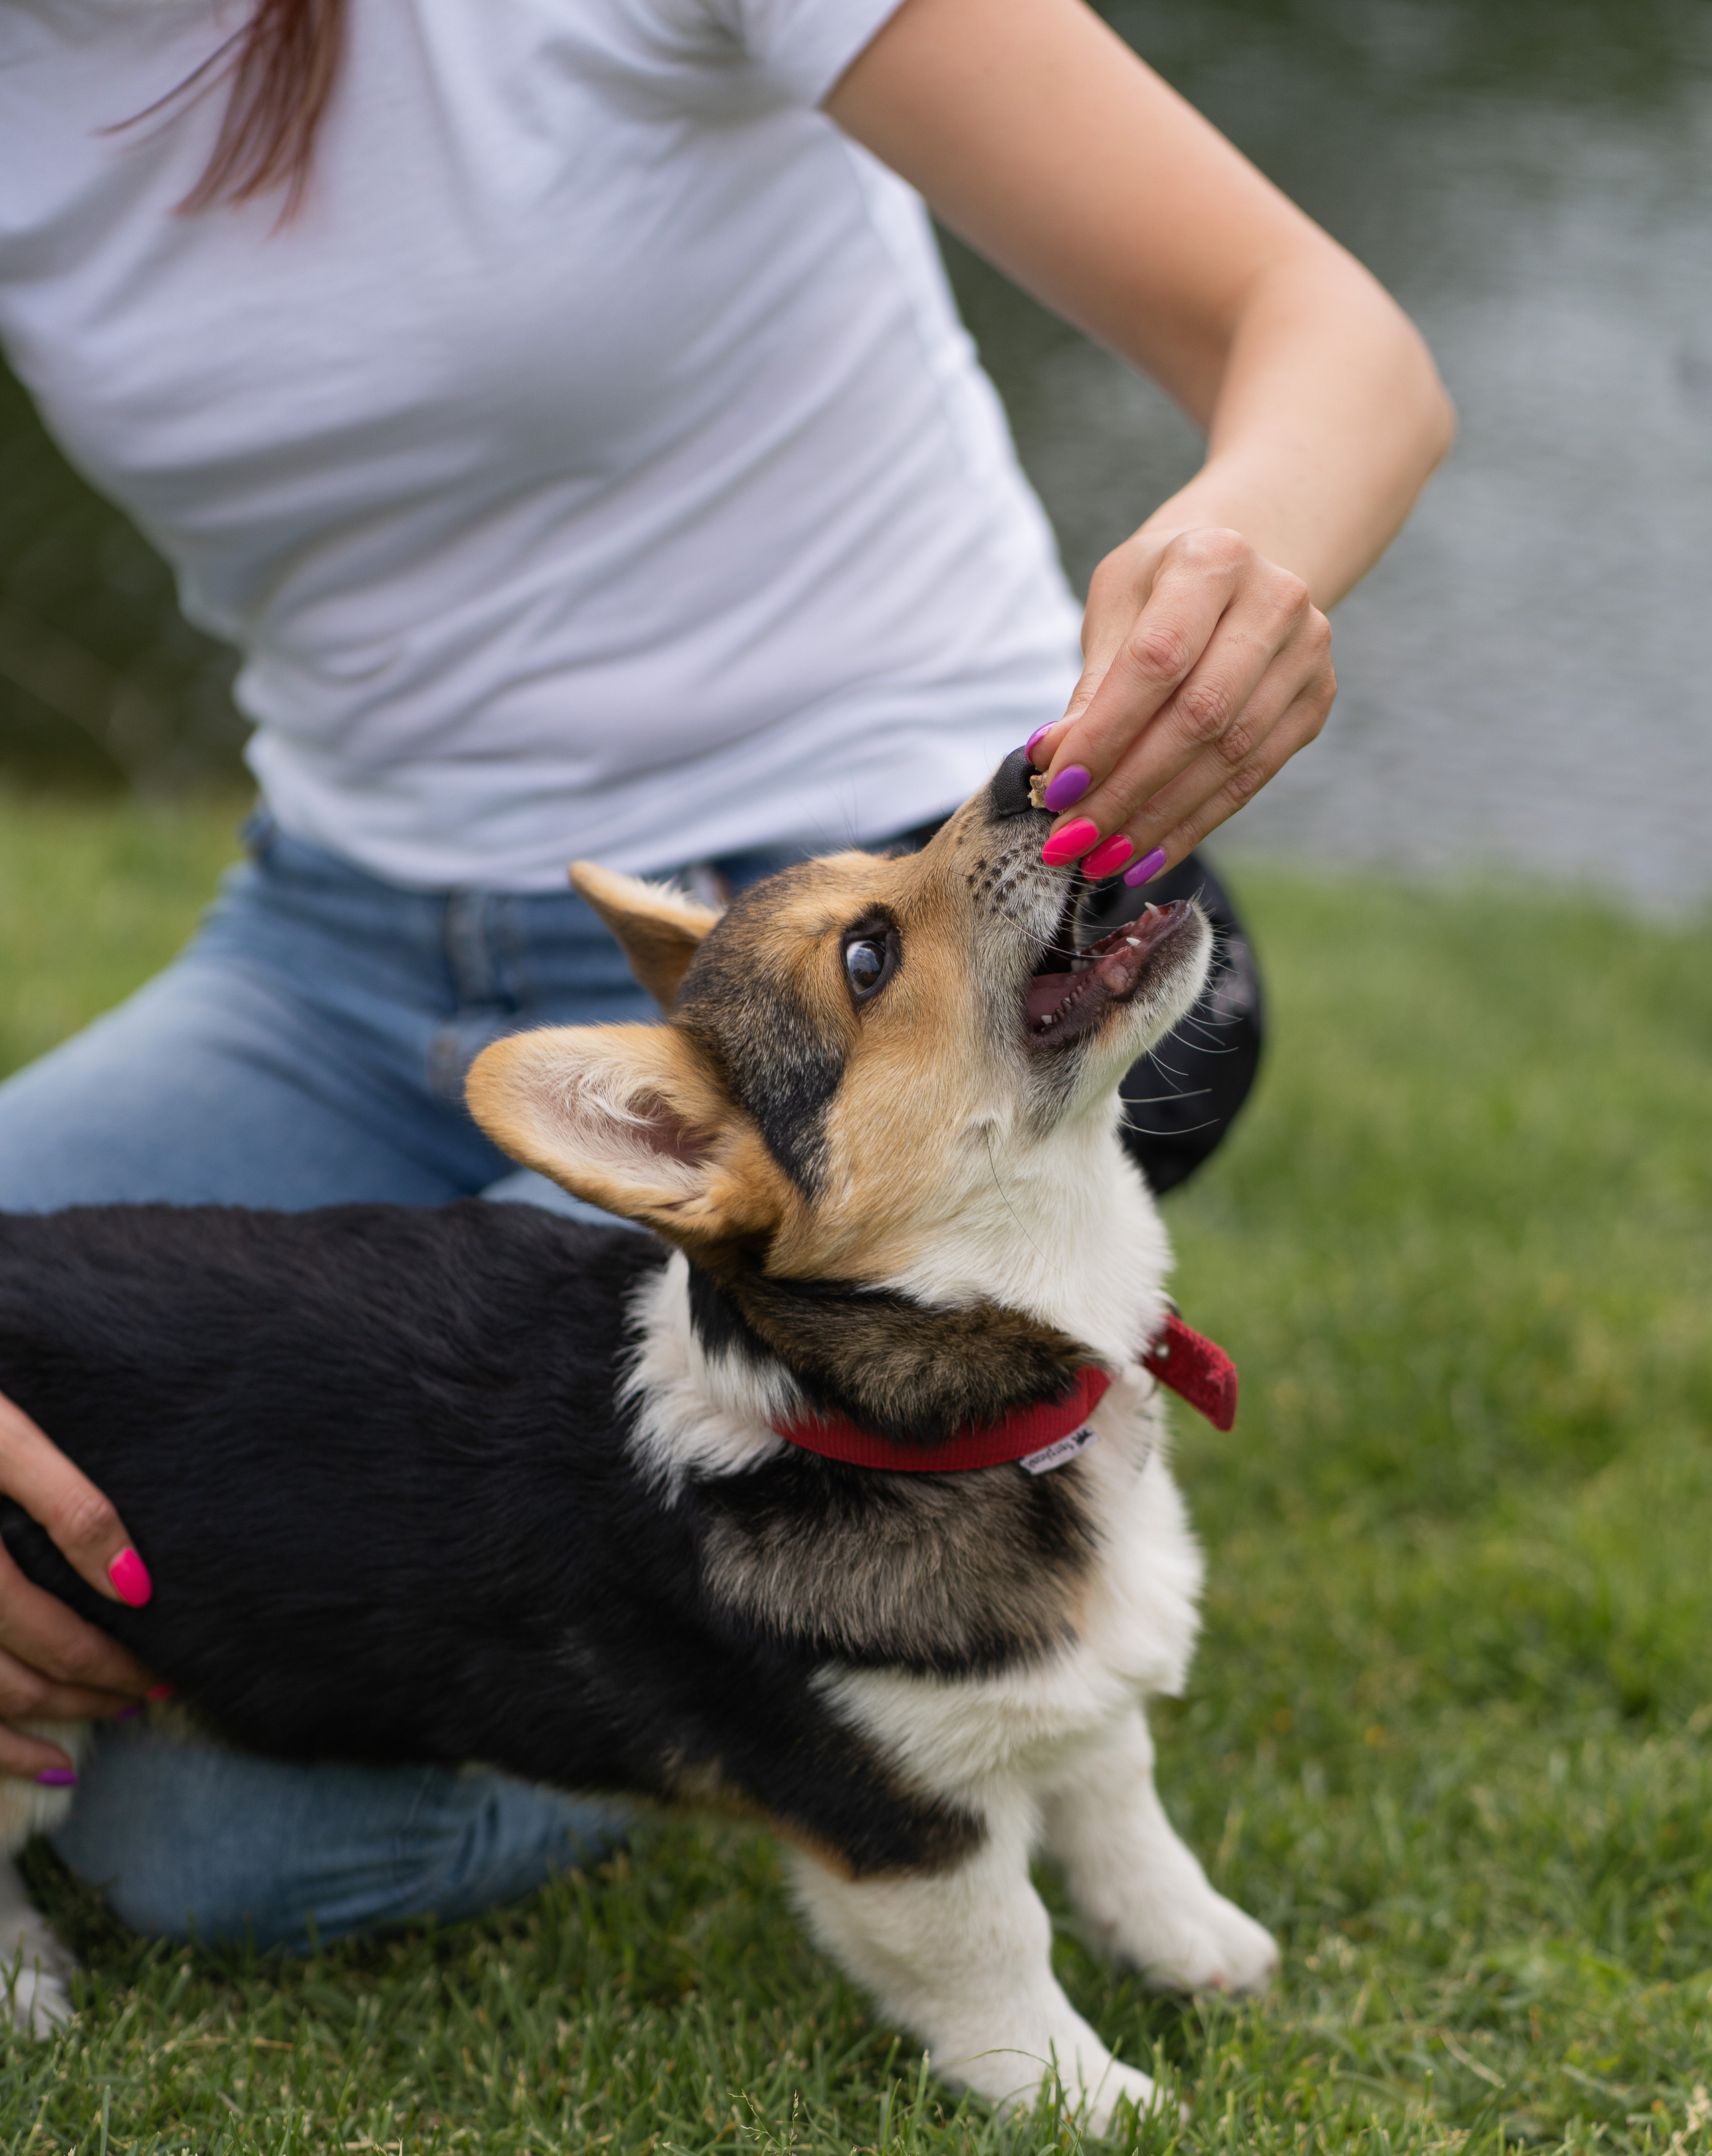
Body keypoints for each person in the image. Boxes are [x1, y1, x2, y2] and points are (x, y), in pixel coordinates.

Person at [0, 0, 1453, 1961]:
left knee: (209, 1839)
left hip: (896, 966)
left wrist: (1231, 581)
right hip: (331, 951)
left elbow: (1320, 326)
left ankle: (814, 1667)